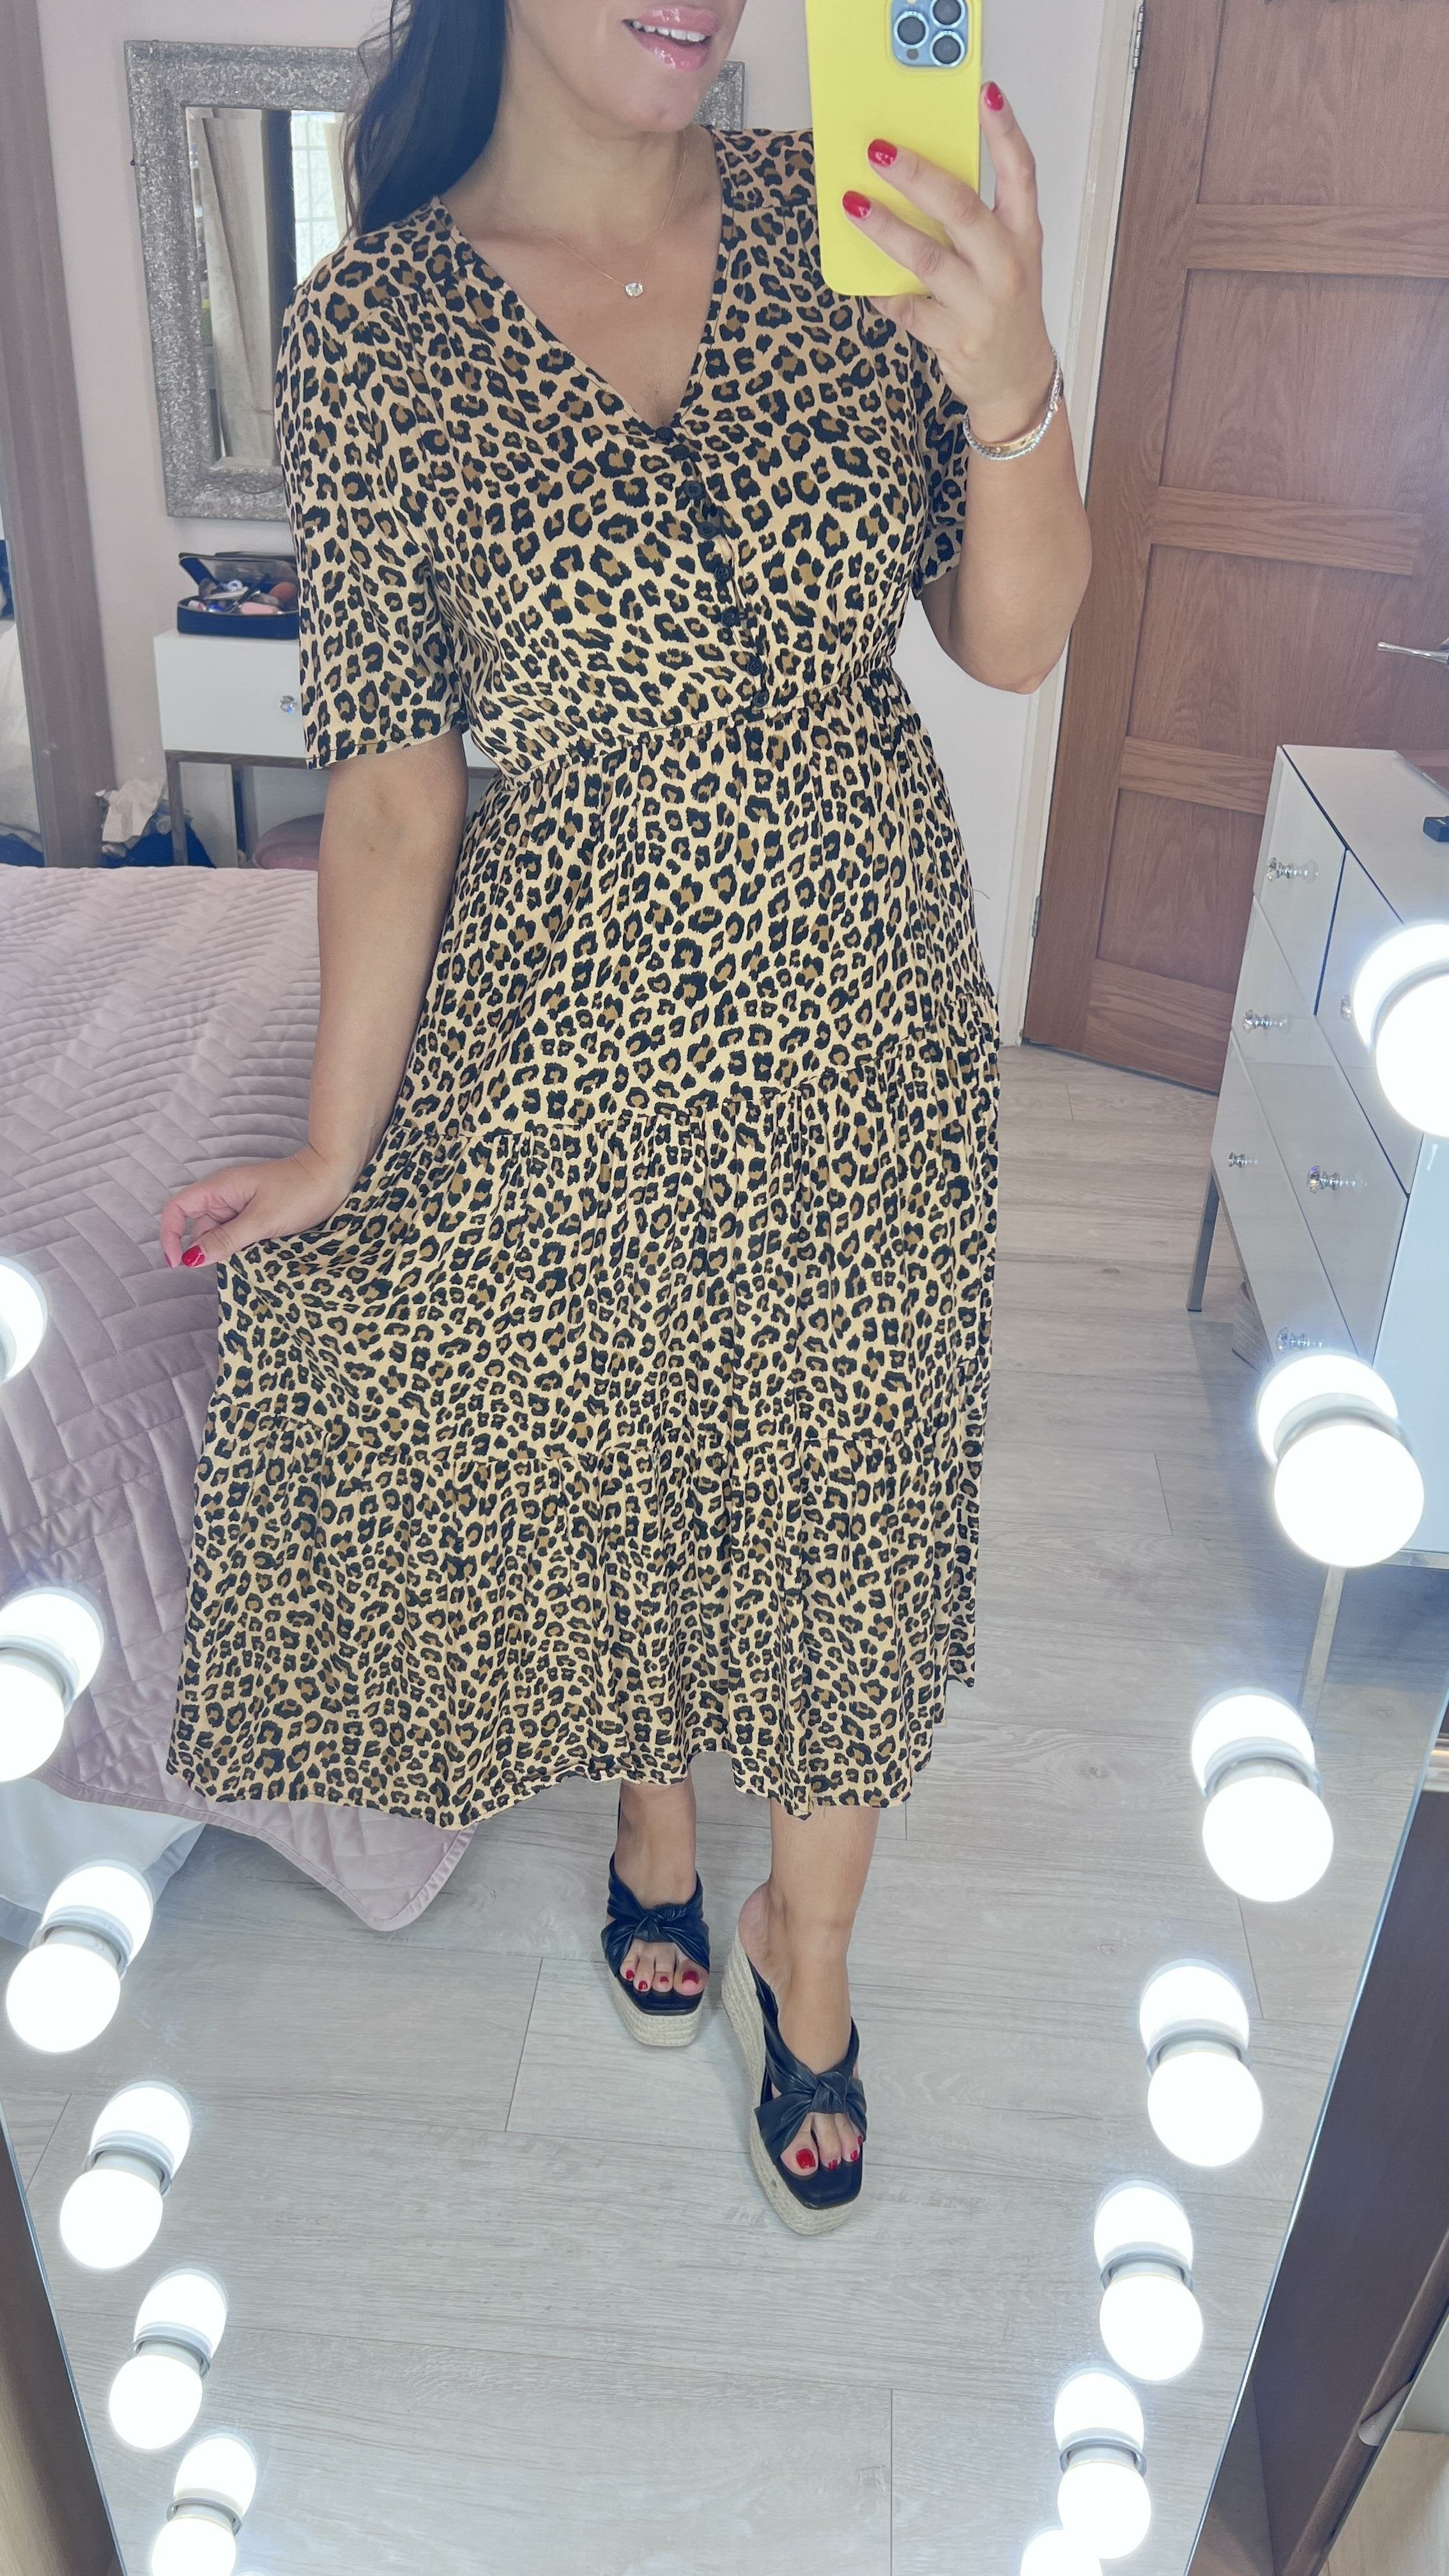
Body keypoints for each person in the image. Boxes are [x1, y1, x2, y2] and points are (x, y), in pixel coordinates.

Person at [160, 0, 1090, 2235]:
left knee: (852, 1509)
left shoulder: (850, 224)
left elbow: (1011, 641)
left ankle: (808, 1951)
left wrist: (1012, 379)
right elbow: (395, 787)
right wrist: (335, 1149)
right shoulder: (372, 330)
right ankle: (652, 1814)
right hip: (561, 1034)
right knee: (633, 1459)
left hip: (867, 1024)